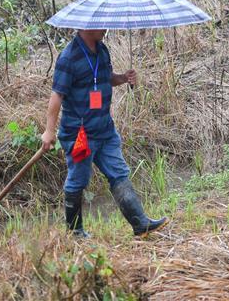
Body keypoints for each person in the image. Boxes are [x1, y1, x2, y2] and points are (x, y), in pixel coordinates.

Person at [41, 28, 167, 237]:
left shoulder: (102, 50)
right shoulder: (68, 58)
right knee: (78, 180)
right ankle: (75, 232)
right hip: (80, 135)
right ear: (86, 27)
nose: (106, 28)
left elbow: (106, 78)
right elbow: (57, 96)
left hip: (105, 130)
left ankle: (140, 224)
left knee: (119, 173)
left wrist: (124, 78)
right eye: (101, 25)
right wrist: (48, 131)